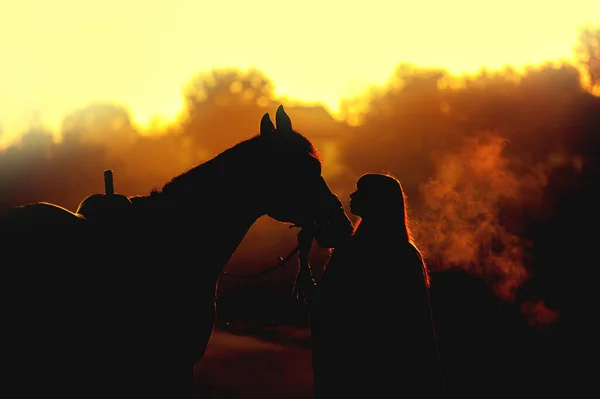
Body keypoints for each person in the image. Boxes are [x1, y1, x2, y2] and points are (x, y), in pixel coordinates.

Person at [295, 173, 444, 398]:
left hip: (355, 376)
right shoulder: (408, 254)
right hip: (400, 378)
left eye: (360, 191)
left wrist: (303, 258)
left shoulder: (352, 252)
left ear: (376, 201)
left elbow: (320, 305)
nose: (352, 195)